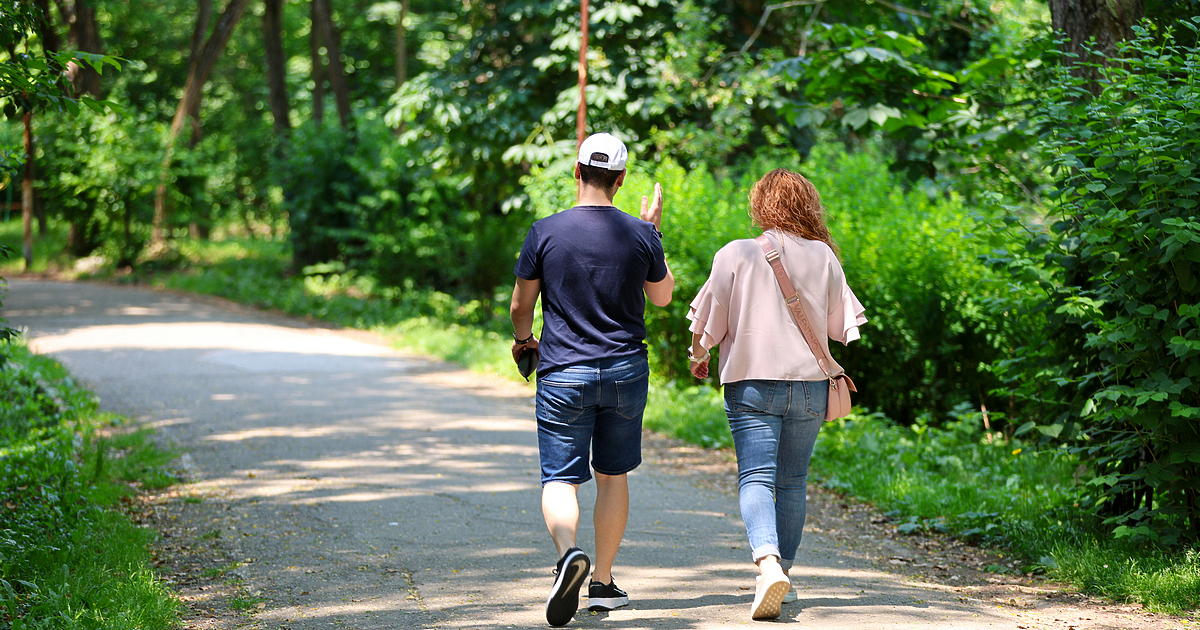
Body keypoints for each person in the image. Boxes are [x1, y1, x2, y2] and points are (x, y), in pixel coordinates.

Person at [510, 132, 675, 627]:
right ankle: (602, 582)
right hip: (625, 370)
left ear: (576, 171)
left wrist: (525, 340)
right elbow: (664, 298)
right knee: (612, 475)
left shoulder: (545, 231)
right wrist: (654, 235)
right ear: (621, 180)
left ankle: (568, 556)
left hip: (564, 371)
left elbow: (522, 305)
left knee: (561, 477)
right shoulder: (640, 233)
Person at [686, 168, 866, 620]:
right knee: (792, 482)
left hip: (751, 383)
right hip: (809, 387)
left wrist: (697, 354)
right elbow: (838, 329)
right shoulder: (824, 256)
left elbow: (708, 322)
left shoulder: (736, 253)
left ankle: (767, 565)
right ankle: (782, 571)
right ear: (808, 205)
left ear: (760, 204)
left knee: (757, 478)